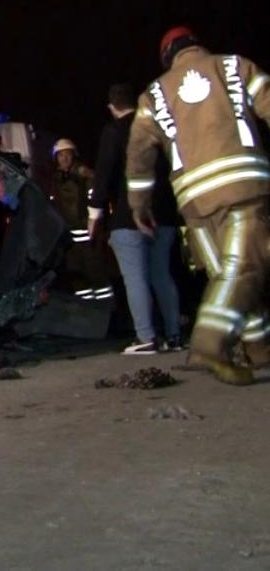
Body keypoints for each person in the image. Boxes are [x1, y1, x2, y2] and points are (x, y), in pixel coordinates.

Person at [127, 26, 270, 385]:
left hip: (192, 200)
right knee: (245, 267)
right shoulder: (234, 66)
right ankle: (210, 342)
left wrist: (139, 204)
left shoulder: (154, 94)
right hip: (242, 184)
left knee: (227, 271)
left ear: (167, 56)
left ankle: (259, 347)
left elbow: (139, 154)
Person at [89, 83, 182, 355]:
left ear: (112, 107)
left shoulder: (114, 130)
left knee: (135, 277)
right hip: (164, 214)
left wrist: (95, 212)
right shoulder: (157, 129)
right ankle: (174, 335)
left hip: (129, 216)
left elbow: (104, 174)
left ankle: (146, 337)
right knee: (162, 274)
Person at [50, 138, 113, 303]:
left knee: (97, 276)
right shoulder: (56, 180)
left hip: (89, 237)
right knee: (79, 280)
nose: (64, 159)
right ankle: (87, 310)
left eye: (67, 154)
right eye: (60, 155)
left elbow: (98, 196)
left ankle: (107, 310)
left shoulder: (84, 175)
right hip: (70, 240)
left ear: (74, 155)